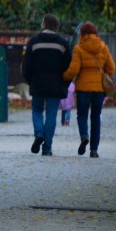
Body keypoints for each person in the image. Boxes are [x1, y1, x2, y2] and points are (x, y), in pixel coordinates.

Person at [21, 13, 72, 157]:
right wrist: (64, 84)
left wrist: (31, 81)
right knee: (51, 115)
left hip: (37, 83)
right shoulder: (63, 44)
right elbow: (69, 67)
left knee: (37, 110)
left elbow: (26, 66)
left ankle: (39, 134)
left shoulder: (34, 42)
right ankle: (47, 148)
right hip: (56, 85)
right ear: (57, 27)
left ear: (44, 24)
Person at [64, 21, 115, 158]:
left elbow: (74, 69)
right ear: (95, 33)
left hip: (83, 89)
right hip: (99, 89)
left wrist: (64, 77)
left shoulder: (79, 48)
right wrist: (105, 76)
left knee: (82, 115)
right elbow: (111, 67)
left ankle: (84, 136)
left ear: (82, 34)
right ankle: (94, 150)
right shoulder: (103, 47)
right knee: (96, 118)